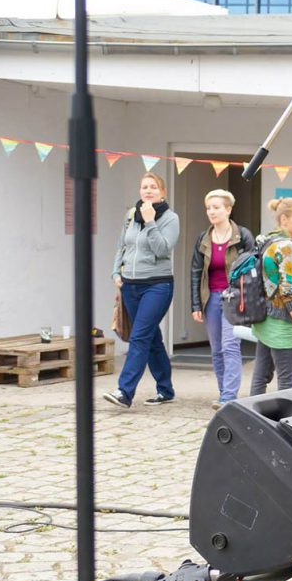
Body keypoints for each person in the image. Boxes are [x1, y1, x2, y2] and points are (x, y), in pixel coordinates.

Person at [104, 172, 181, 409]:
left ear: (162, 192)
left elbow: (162, 248)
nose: (148, 191)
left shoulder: (170, 218)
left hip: (157, 285)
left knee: (139, 337)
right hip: (130, 286)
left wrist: (150, 222)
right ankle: (165, 390)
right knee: (152, 338)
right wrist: (116, 273)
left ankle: (124, 392)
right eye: (144, 187)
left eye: (153, 187)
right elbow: (122, 246)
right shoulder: (130, 216)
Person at [190, 189, 254, 409]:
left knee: (230, 346)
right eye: (208, 208)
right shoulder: (204, 238)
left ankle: (229, 396)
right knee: (216, 349)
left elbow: (252, 268)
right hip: (211, 299)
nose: (211, 212)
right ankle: (223, 393)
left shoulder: (243, 235)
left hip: (234, 298)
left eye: (216, 207)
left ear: (228, 209)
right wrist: (196, 304)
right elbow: (196, 272)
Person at [250, 197, 292, 395]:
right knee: (287, 382)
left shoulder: (267, 240)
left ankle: (251, 419)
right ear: (284, 219)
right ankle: (282, 423)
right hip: (281, 320)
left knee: (260, 376)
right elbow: (288, 290)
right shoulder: (287, 246)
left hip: (264, 317)